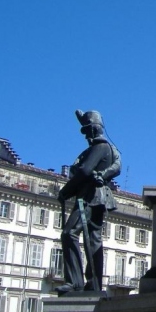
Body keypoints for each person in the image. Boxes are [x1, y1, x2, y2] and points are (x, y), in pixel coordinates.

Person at [56, 110, 119, 295]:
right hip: (95, 197)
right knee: (93, 240)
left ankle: (75, 282)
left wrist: (65, 191)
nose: (85, 135)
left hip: (90, 197)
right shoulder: (98, 148)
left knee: (69, 233)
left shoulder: (100, 147)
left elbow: (84, 171)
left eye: (86, 131)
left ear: (93, 128)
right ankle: (93, 283)